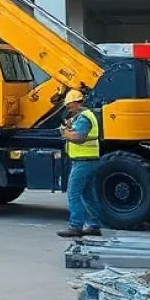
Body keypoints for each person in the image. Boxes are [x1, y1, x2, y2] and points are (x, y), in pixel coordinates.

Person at [58, 89, 102, 239]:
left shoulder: (83, 118)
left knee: (73, 194)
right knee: (88, 194)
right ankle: (94, 226)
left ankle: (75, 226)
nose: (68, 108)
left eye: (70, 105)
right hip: (89, 160)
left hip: (83, 162)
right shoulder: (83, 116)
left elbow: (79, 137)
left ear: (77, 103)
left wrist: (65, 134)